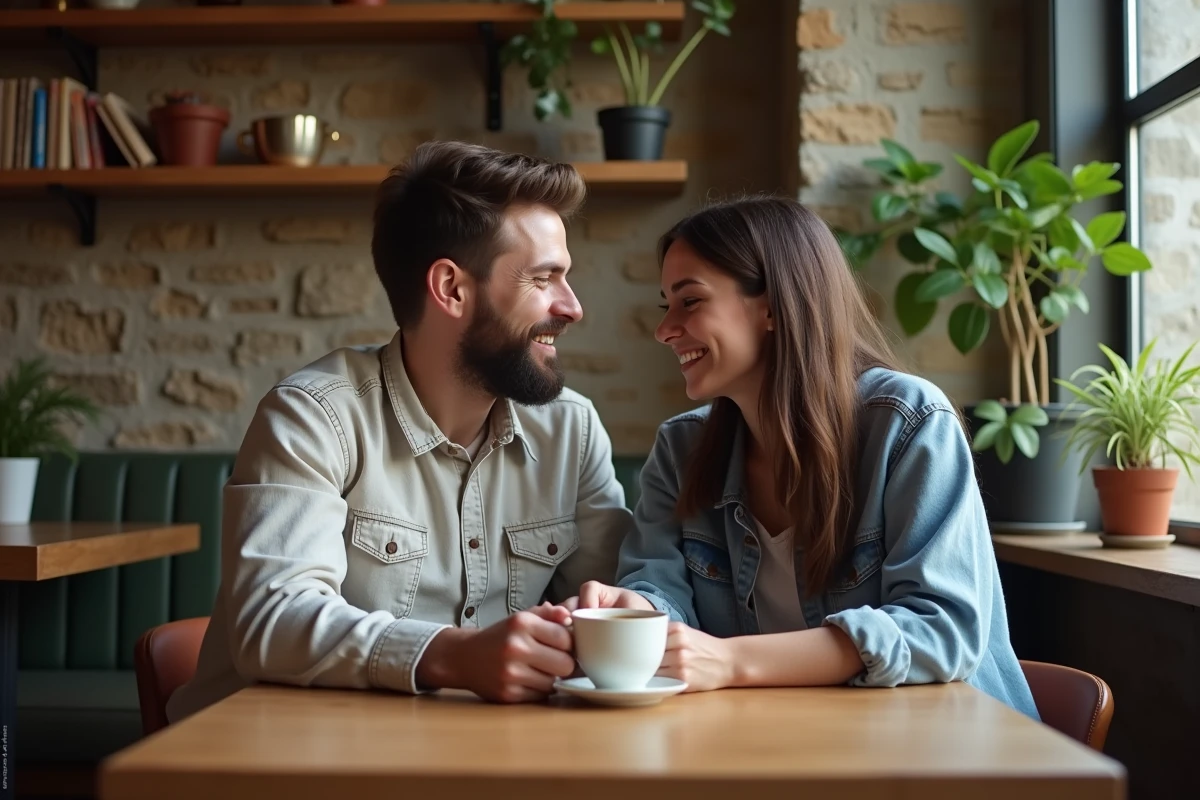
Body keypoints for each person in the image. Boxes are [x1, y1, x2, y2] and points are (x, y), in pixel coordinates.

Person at [167, 142, 633, 721]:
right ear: (452, 288)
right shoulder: (312, 416)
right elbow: (272, 620)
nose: (573, 306)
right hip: (280, 758)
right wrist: (455, 656)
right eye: (544, 278)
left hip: (469, 753)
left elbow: (616, 596)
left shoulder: (571, 429)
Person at [570, 196, 1039, 719]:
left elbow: (941, 629)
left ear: (772, 306)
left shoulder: (909, 425)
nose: (664, 330)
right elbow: (659, 589)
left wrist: (729, 661)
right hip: (786, 743)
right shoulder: (680, 451)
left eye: (690, 301)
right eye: (666, 306)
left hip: (950, 750)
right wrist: (635, 612)